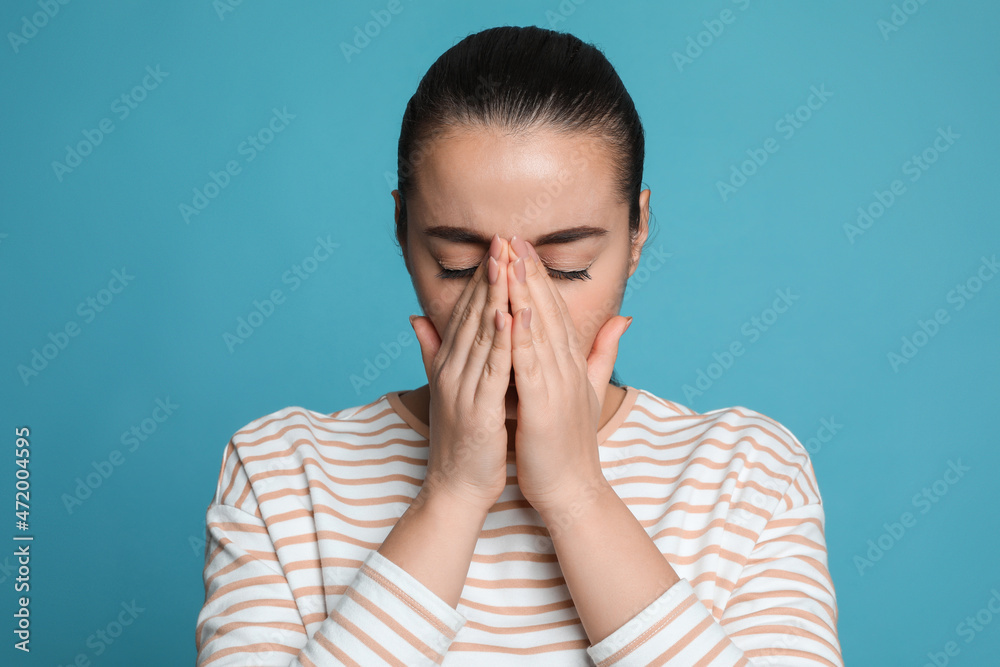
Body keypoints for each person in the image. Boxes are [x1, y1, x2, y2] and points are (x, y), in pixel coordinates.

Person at [194, 25, 843, 666]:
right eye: (455, 262)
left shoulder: (748, 477)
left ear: (638, 231)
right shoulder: (280, 475)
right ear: (402, 230)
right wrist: (449, 493)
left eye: (564, 265)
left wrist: (576, 494)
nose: (511, 310)